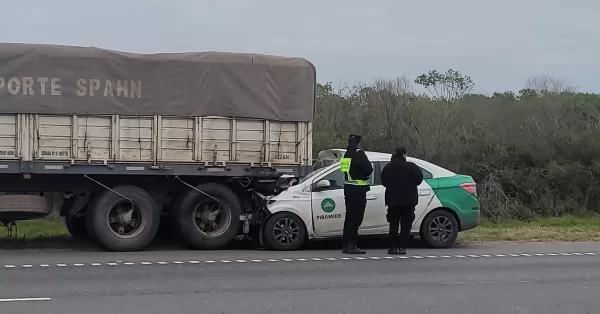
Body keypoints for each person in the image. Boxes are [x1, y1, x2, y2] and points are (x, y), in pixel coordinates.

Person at [381, 146, 423, 255]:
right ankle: (402, 247)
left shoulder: (388, 168)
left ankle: (393, 247)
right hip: (409, 201)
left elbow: (384, 182)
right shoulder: (412, 167)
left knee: (393, 224)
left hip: (393, 201)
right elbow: (419, 180)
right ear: (404, 154)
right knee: (406, 225)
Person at [340, 134, 373, 254]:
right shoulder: (359, 154)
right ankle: (352, 245)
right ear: (359, 143)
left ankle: (346, 244)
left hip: (348, 187)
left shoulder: (346, 155)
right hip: (358, 189)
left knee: (349, 218)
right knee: (356, 218)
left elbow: (343, 170)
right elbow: (369, 169)